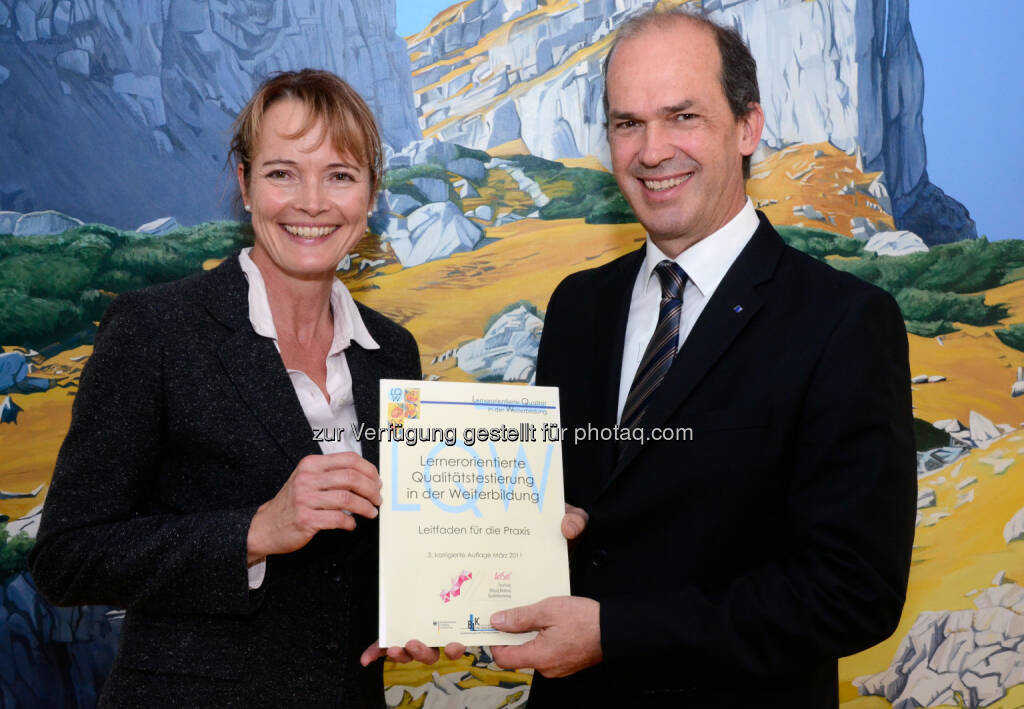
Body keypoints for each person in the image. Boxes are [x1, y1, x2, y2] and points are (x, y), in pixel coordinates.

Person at [480, 9, 917, 707]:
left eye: (682, 116)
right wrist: (476, 567)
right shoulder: (578, 307)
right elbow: (575, 517)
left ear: (747, 126)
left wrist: (617, 631)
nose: (652, 151)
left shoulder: (843, 322)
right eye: (628, 123)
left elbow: (851, 590)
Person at [29, 69, 424, 708]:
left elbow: (364, 557)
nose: (312, 201)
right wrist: (255, 530)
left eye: (341, 175)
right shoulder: (155, 330)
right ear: (244, 184)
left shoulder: (393, 352)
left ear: (372, 194)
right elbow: (67, 558)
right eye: (282, 173)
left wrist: (419, 609)